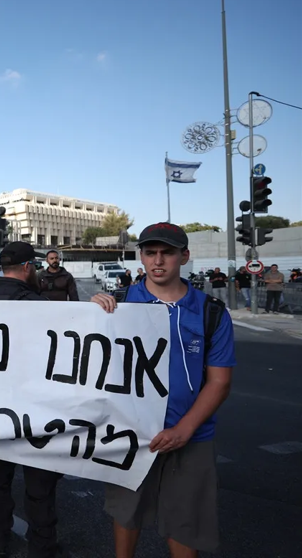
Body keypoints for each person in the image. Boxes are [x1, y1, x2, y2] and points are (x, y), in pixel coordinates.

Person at [90, 223, 235, 558]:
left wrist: (184, 430)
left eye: (167, 252)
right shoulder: (119, 304)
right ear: (140, 256)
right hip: (130, 434)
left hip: (191, 436)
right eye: (150, 252)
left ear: (184, 256)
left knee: (186, 522)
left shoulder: (211, 312)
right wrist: (91, 316)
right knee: (126, 512)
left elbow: (219, 381)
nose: (158, 260)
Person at [0, 242, 63, 558]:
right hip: (37, 413)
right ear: (28, 268)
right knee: (40, 487)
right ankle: (43, 546)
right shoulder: (41, 306)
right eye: (36, 267)